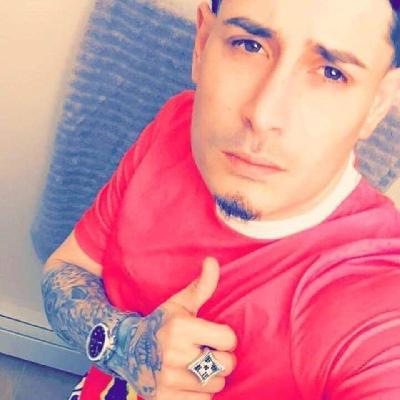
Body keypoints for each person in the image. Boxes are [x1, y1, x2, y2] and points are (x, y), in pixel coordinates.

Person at [42, 0, 400, 398]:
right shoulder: (176, 126)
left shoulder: (373, 293)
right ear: (202, 44)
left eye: (332, 73)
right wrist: (125, 346)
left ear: (377, 103)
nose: (263, 116)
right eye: (249, 45)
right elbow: (65, 269)